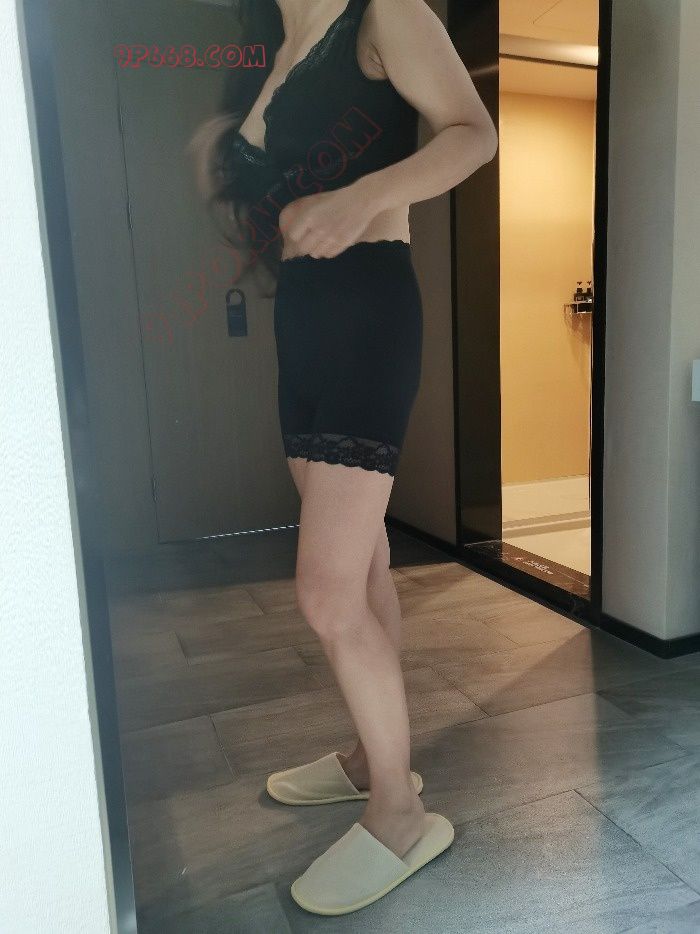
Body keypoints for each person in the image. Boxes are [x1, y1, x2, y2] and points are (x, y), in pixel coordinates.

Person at [189, 0, 498, 916]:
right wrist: (221, 160)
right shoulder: (271, 46)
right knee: (360, 569)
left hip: (368, 310)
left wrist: (362, 197)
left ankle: (400, 810)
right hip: (305, 321)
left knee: (326, 595)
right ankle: (372, 757)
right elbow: (271, 204)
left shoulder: (382, 11)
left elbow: (472, 132)